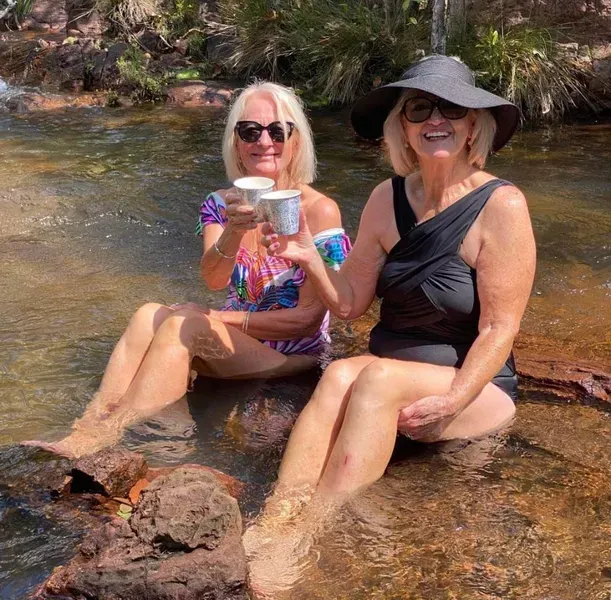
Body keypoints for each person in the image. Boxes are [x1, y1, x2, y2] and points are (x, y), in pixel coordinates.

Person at [255, 54, 536, 535]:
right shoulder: (387, 198)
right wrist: (308, 256)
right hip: (384, 376)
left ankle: (311, 533)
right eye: (420, 109)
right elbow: (348, 304)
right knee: (343, 372)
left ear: (474, 126)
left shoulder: (502, 204)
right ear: (402, 128)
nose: (436, 120)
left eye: (451, 109)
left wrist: (451, 402)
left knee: (377, 376)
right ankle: (278, 517)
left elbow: (499, 328)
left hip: (475, 389)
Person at [23, 81, 351, 459]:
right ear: (236, 142)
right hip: (238, 345)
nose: (264, 142)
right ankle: (88, 426)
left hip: (292, 358)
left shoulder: (319, 210)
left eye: (278, 131)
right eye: (250, 131)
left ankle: (105, 441)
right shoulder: (218, 203)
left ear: (295, 141)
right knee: (148, 314)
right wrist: (233, 230)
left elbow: (307, 321)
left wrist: (212, 317)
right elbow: (213, 278)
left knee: (186, 322)